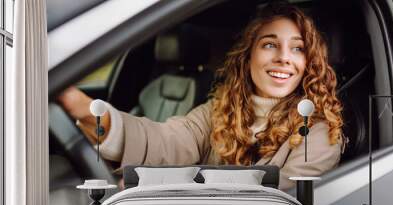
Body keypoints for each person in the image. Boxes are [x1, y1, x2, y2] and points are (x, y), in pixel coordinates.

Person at [57, 3, 344, 191]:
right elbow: (167, 141)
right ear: (247, 57)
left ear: (310, 63)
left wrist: (167, 188)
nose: (283, 58)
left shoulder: (320, 131)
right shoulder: (217, 111)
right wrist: (87, 111)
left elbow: (280, 201)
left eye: (297, 49)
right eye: (270, 44)